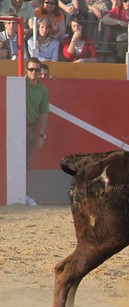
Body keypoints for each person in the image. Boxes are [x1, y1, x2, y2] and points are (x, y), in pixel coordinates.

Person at [25, 57, 50, 206]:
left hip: (30, 126)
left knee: (27, 161)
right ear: (26, 70)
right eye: (31, 69)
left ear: (41, 72)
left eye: (36, 70)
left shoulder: (43, 90)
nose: (33, 72)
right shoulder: (19, 84)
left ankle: (24, 193)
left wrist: (42, 134)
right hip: (13, 126)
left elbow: (44, 113)